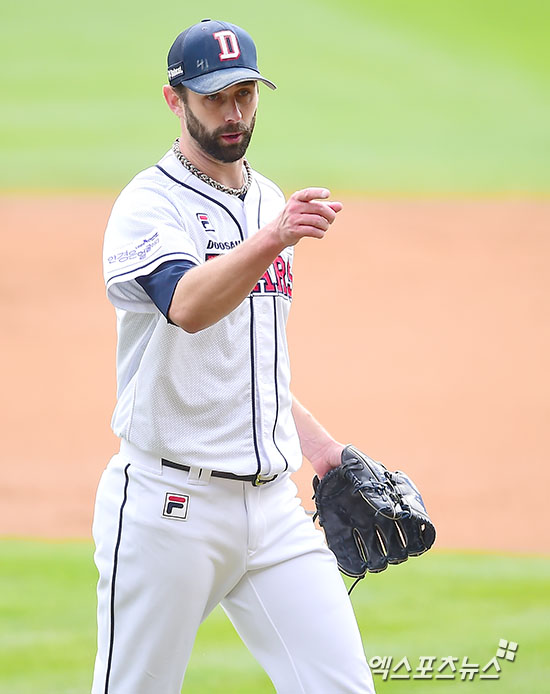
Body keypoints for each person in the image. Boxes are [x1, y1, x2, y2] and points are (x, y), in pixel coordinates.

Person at [92, 18, 375, 694]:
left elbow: (248, 357)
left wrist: (321, 448)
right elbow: (187, 305)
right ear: (175, 100)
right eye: (214, 97)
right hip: (170, 508)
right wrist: (274, 239)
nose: (233, 113)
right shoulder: (149, 204)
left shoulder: (267, 199)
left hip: (273, 509)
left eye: (244, 94)